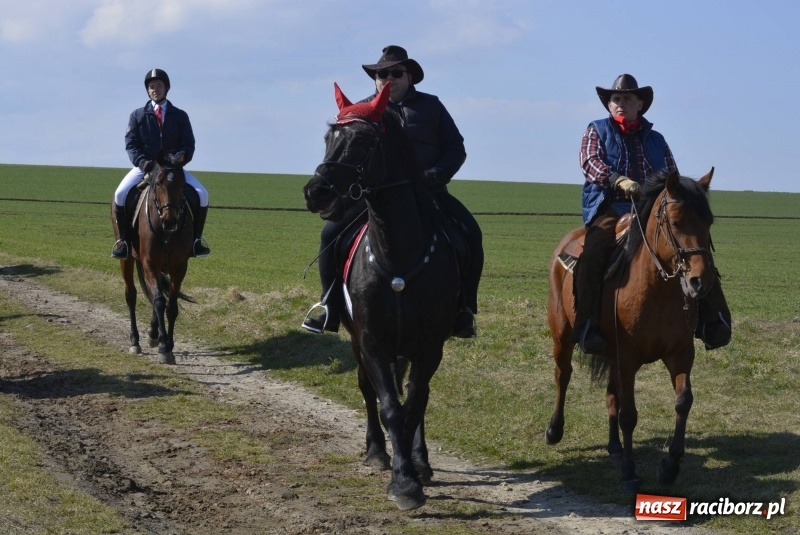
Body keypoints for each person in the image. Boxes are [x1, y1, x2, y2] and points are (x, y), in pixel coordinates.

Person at [302, 45, 484, 338]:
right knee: (330, 234)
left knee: (471, 234)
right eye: (381, 73)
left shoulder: (432, 106)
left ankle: (464, 310)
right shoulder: (362, 110)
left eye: (396, 73)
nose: (388, 78)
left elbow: (455, 148)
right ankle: (329, 307)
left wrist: (436, 175)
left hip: (429, 194)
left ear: (409, 76)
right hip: (372, 197)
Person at [573, 73, 732, 354]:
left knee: (693, 247)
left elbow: (673, 177)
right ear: (609, 105)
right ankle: (588, 324)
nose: (621, 103)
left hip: (651, 210)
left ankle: (712, 320)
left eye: (628, 98)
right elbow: (589, 162)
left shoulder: (656, 139)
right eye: (616, 99)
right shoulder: (596, 130)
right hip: (610, 205)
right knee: (594, 252)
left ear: (640, 104)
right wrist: (617, 180)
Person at [111, 68, 210, 260]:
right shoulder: (138, 115)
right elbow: (131, 144)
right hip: (146, 168)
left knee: (202, 194)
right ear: (147, 91)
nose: (154, 89)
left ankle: (196, 240)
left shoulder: (180, 115)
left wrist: (178, 159)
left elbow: (188, 144)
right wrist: (142, 162)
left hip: (172, 169)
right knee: (120, 194)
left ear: (166, 88)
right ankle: (123, 241)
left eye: (158, 86)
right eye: (151, 87)